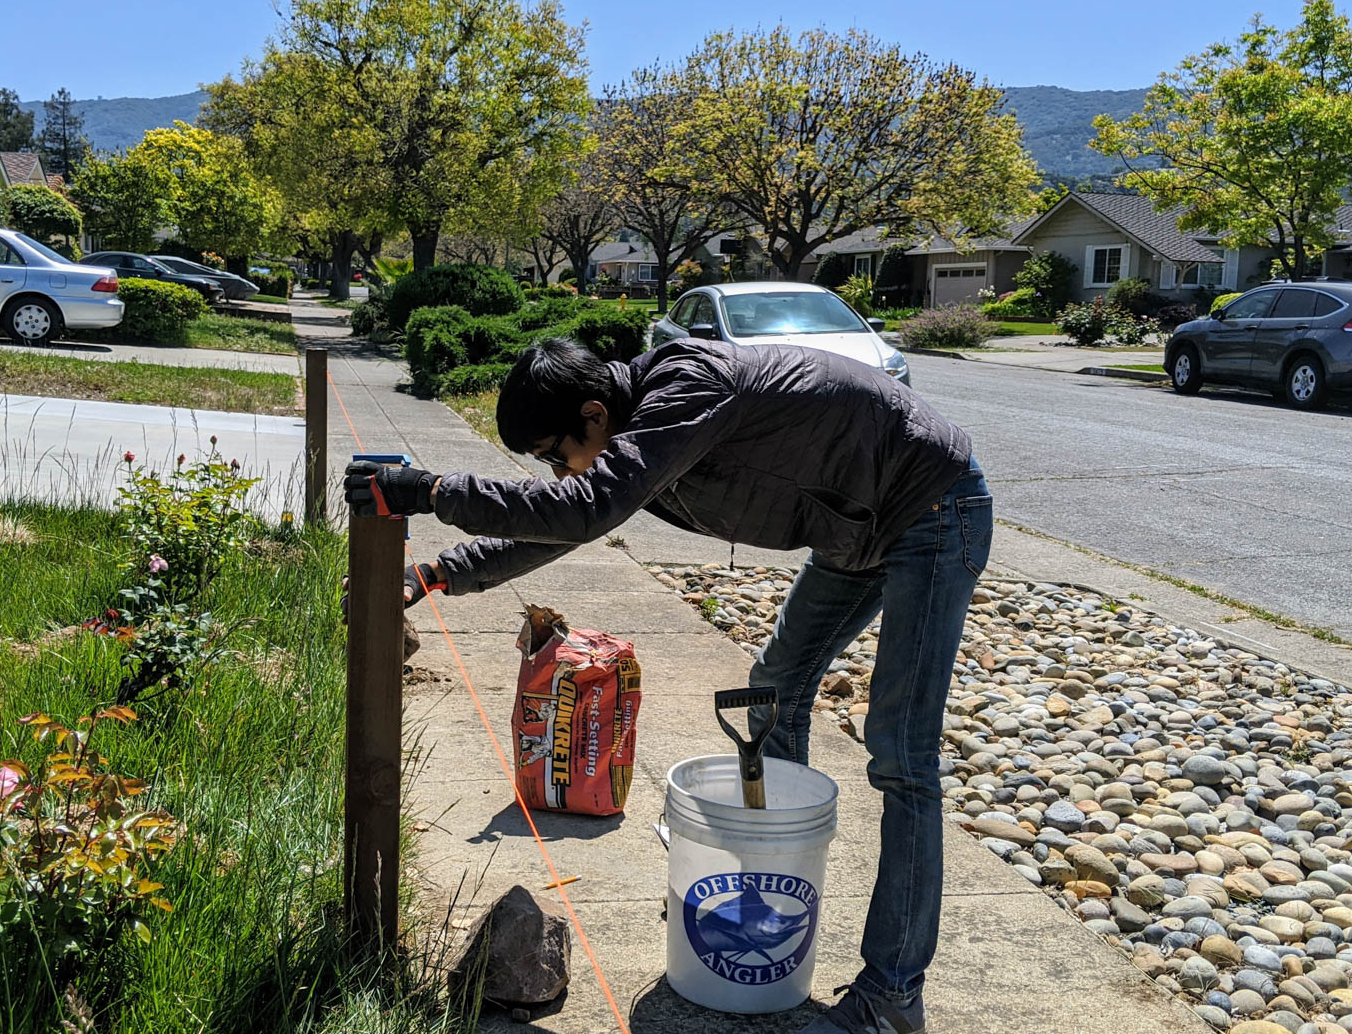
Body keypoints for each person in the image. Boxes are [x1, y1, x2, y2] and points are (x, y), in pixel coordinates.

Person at [344, 335, 991, 1034]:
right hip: (854, 532)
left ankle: (891, 998)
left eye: (554, 452)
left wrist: (435, 493)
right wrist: (437, 573)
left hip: (929, 509)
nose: (555, 470)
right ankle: (756, 893)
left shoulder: (688, 388)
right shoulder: (640, 430)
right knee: (774, 690)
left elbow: (584, 508)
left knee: (901, 756)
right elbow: (570, 522)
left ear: (595, 413)